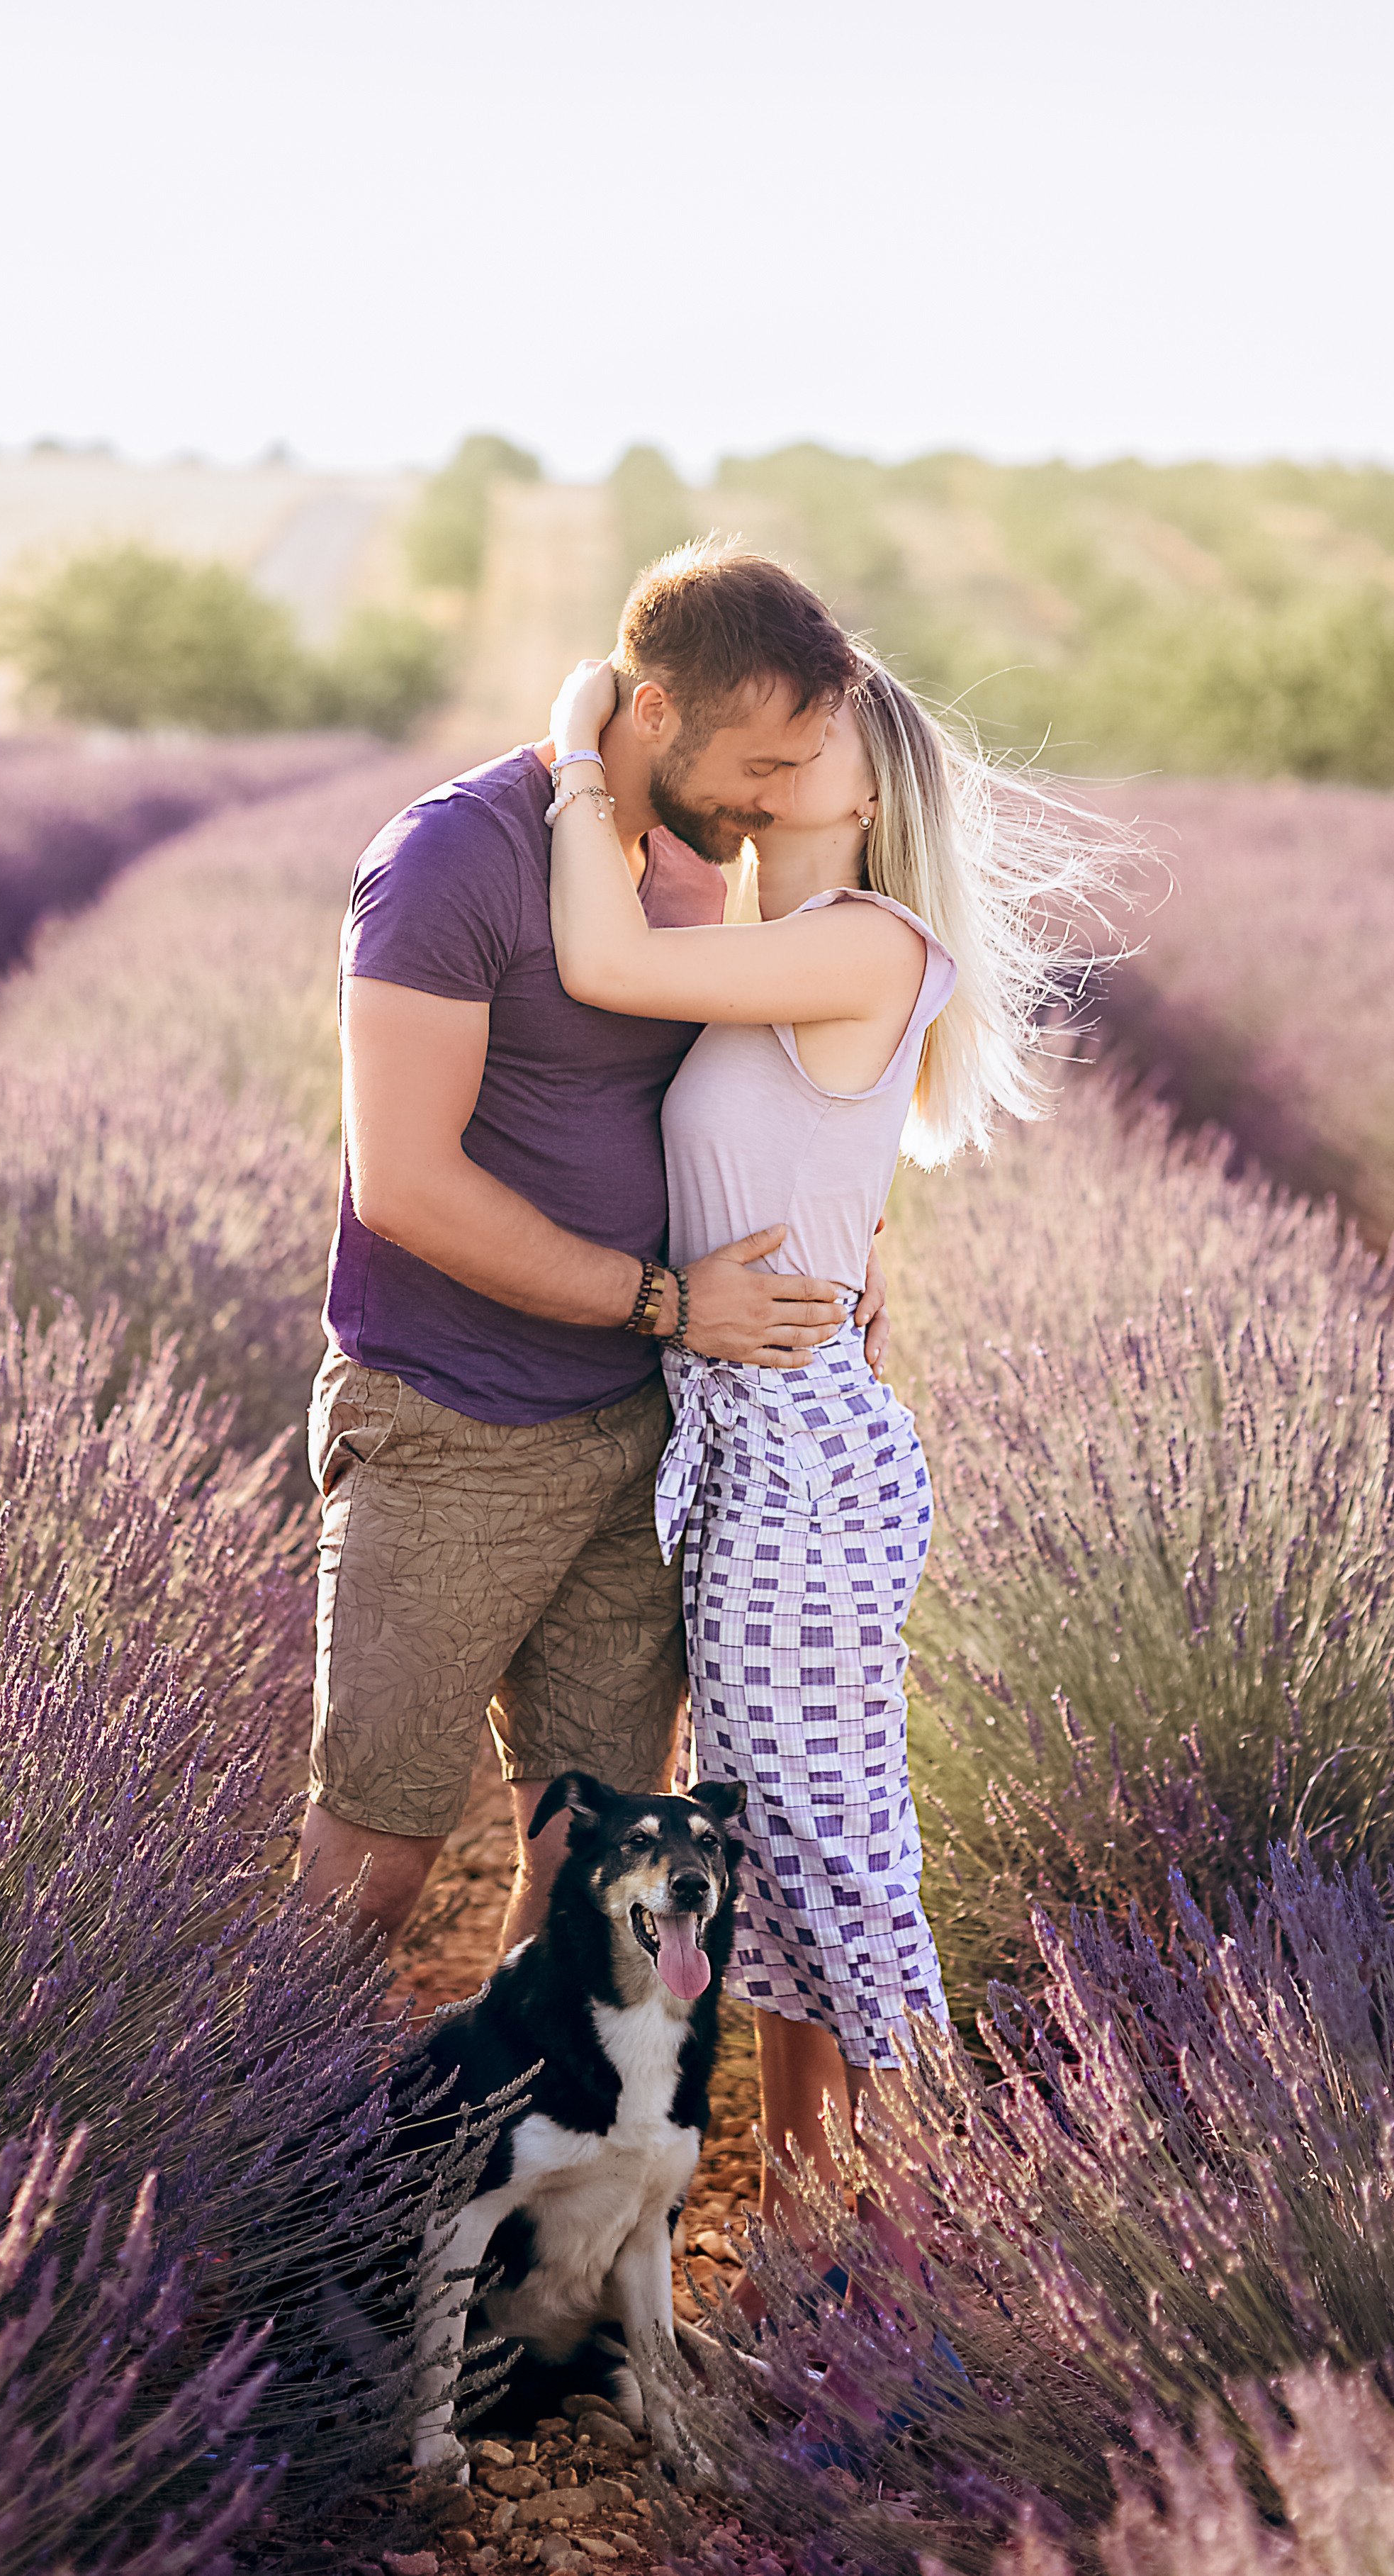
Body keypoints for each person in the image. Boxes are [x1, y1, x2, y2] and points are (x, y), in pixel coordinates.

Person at [544, 642, 1113, 2302]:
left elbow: (596, 956)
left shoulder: (868, 939)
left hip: (802, 1465)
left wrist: (580, 745)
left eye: (832, 722)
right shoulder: (769, 940)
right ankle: (805, 2233)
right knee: (777, 1872)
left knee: (838, 1859)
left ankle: (946, 2250)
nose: (796, 732)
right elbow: (803, 1151)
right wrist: (862, 1246)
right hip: (749, 1458)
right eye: (781, 716)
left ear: (877, 790)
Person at [296, 540, 901, 1958]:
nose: (775, 799)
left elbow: (788, 1092)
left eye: (798, 767)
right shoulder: (454, 857)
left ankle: (511, 2105)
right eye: (760, 764)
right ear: (655, 710)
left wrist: (862, 1236)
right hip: (453, 1422)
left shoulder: (707, 869)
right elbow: (405, 1184)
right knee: (376, 1857)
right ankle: (261, 2110)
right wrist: (670, 1301)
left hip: (644, 1430)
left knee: (599, 1873)